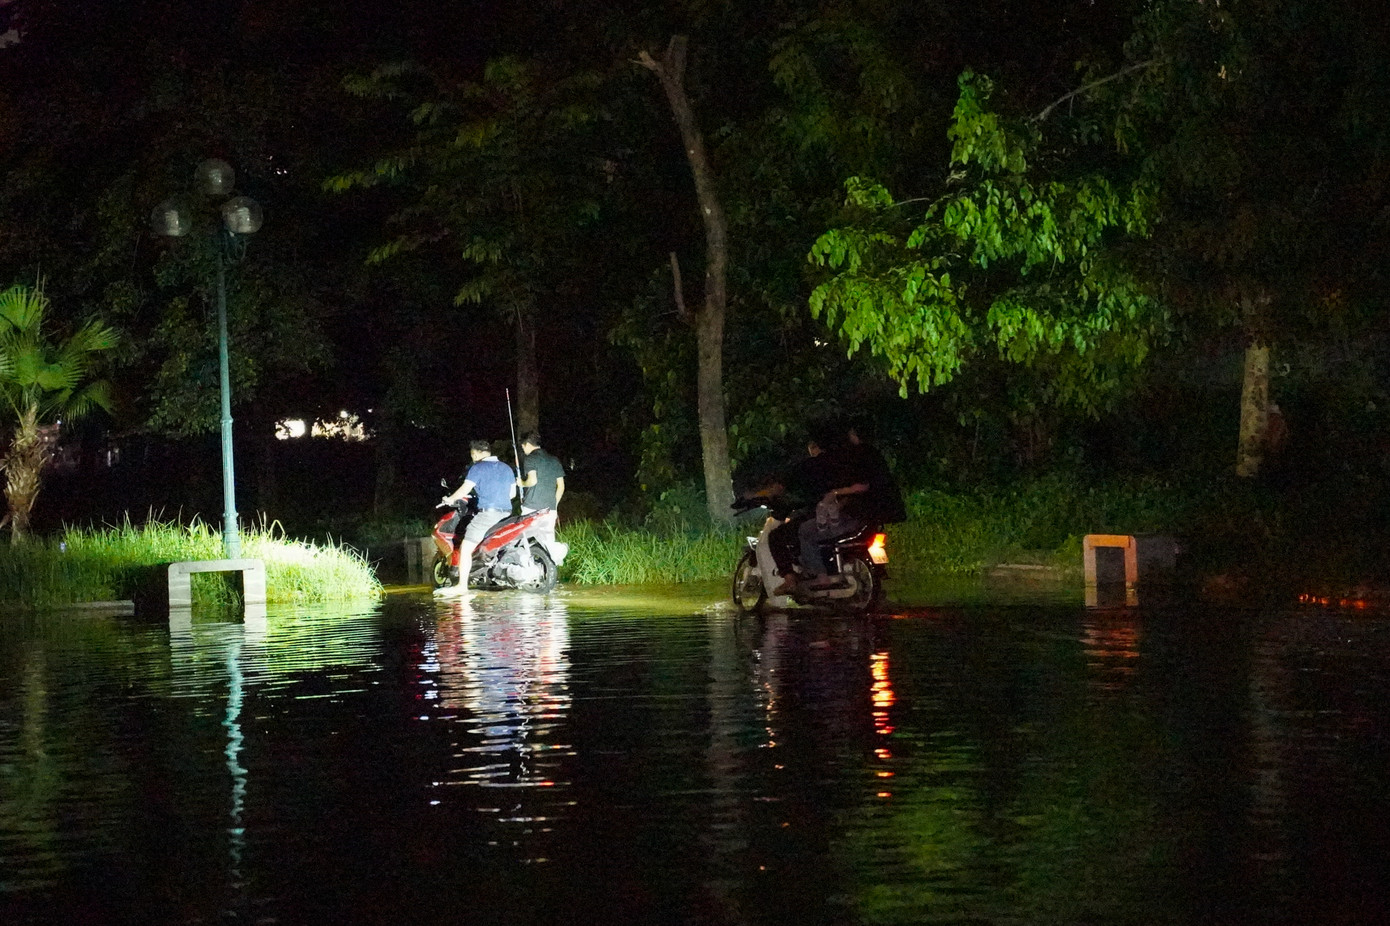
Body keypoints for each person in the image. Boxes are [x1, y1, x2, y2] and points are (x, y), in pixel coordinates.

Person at [788, 420, 905, 591]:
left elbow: (861, 486)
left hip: (858, 515)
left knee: (806, 531)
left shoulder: (859, 455)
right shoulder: (874, 454)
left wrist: (835, 493)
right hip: (876, 515)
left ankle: (820, 576)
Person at [436, 439, 516, 593]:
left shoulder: (477, 467)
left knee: (465, 548)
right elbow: (512, 494)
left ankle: (461, 586)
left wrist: (451, 499)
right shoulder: (506, 468)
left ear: (477, 453)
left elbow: (465, 489)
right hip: (507, 513)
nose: (472, 457)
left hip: (488, 515)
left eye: (472, 454)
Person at [517, 431, 565, 544]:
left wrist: (522, 483)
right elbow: (561, 486)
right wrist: (554, 504)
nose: (523, 450)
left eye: (523, 447)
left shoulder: (530, 459)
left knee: (527, 541)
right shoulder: (554, 460)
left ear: (527, 444)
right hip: (550, 509)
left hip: (532, 508)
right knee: (548, 542)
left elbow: (532, 481)